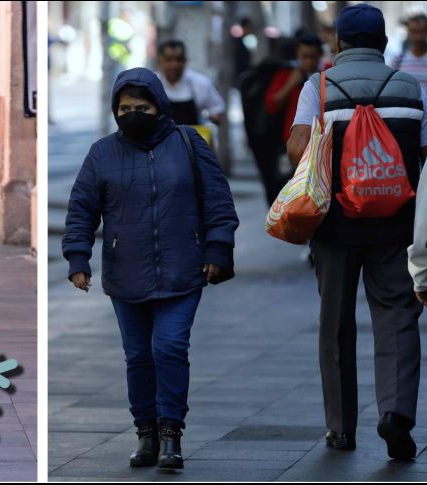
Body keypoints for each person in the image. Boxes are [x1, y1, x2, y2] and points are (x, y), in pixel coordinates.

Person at [62, 67, 239, 470]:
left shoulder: (189, 142)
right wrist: (78, 258)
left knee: (170, 347)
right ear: (115, 110)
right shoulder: (102, 153)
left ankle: (171, 433)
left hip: (183, 268)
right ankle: (146, 432)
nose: (133, 114)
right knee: (138, 355)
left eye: (142, 106)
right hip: (127, 273)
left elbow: (218, 201)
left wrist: (217, 249)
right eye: (125, 108)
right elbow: (81, 210)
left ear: (159, 106)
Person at [287, 4, 427, 460]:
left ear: (338, 43)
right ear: (384, 42)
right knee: (397, 319)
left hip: (334, 226)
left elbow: (297, 150)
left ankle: (341, 428)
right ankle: (395, 413)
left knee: (336, 323)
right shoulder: (411, 87)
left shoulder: (318, 87)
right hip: (397, 226)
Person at [259, 32, 324, 204]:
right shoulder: (287, 75)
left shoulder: (327, 74)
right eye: (304, 56)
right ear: (297, 55)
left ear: (320, 55)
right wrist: (291, 83)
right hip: (292, 147)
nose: (309, 61)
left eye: (313, 57)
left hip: (321, 147)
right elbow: (272, 104)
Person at [154, 39, 226, 126]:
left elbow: (217, 109)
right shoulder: (152, 83)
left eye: (179, 59)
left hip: (191, 138)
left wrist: (213, 118)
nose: (174, 65)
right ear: (160, 61)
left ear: (185, 60)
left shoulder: (201, 83)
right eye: (169, 59)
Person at [392, 11, 427, 91]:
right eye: (413, 31)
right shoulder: (398, 60)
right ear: (408, 31)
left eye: (421, 31)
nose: (418, 36)